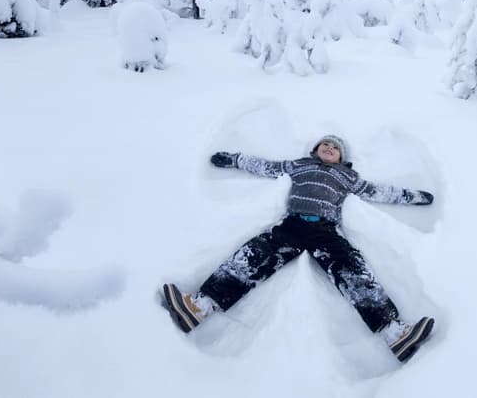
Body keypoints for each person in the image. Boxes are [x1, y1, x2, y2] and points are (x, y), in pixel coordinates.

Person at [161, 134, 437, 363]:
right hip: (291, 227)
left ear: (342, 158)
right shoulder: (301, 165)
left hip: (326, 230)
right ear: (315, 151)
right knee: (251, 257)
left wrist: (413, 197)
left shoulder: (348, 177)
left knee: (353, 270)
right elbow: (266, 166)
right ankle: (199, 307)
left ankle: (394, 333)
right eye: (324, 145)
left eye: (335, 147)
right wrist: (234, 159)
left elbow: (379, 192)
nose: (329, 148)